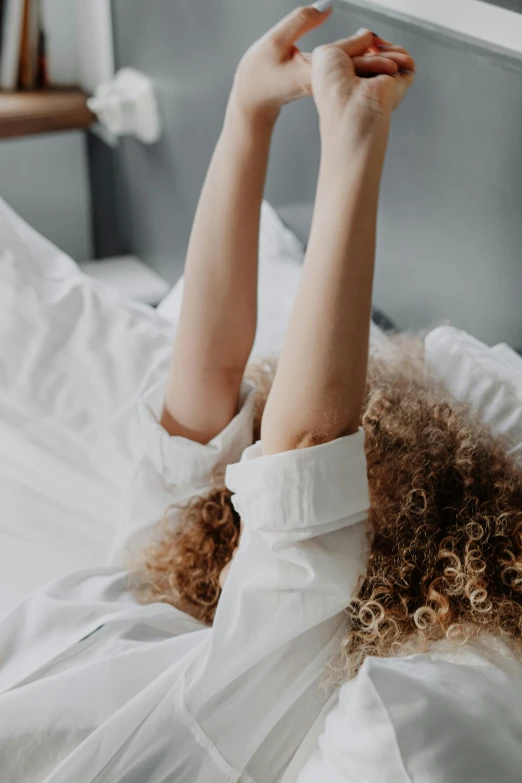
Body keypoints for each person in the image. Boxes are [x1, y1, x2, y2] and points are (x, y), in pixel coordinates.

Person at [1, 5, 521, 783]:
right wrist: (295, 128)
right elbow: (247, 416)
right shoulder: (195, 634)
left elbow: (264, 426)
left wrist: (301, 129)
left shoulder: (202, 636)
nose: (256, 467)